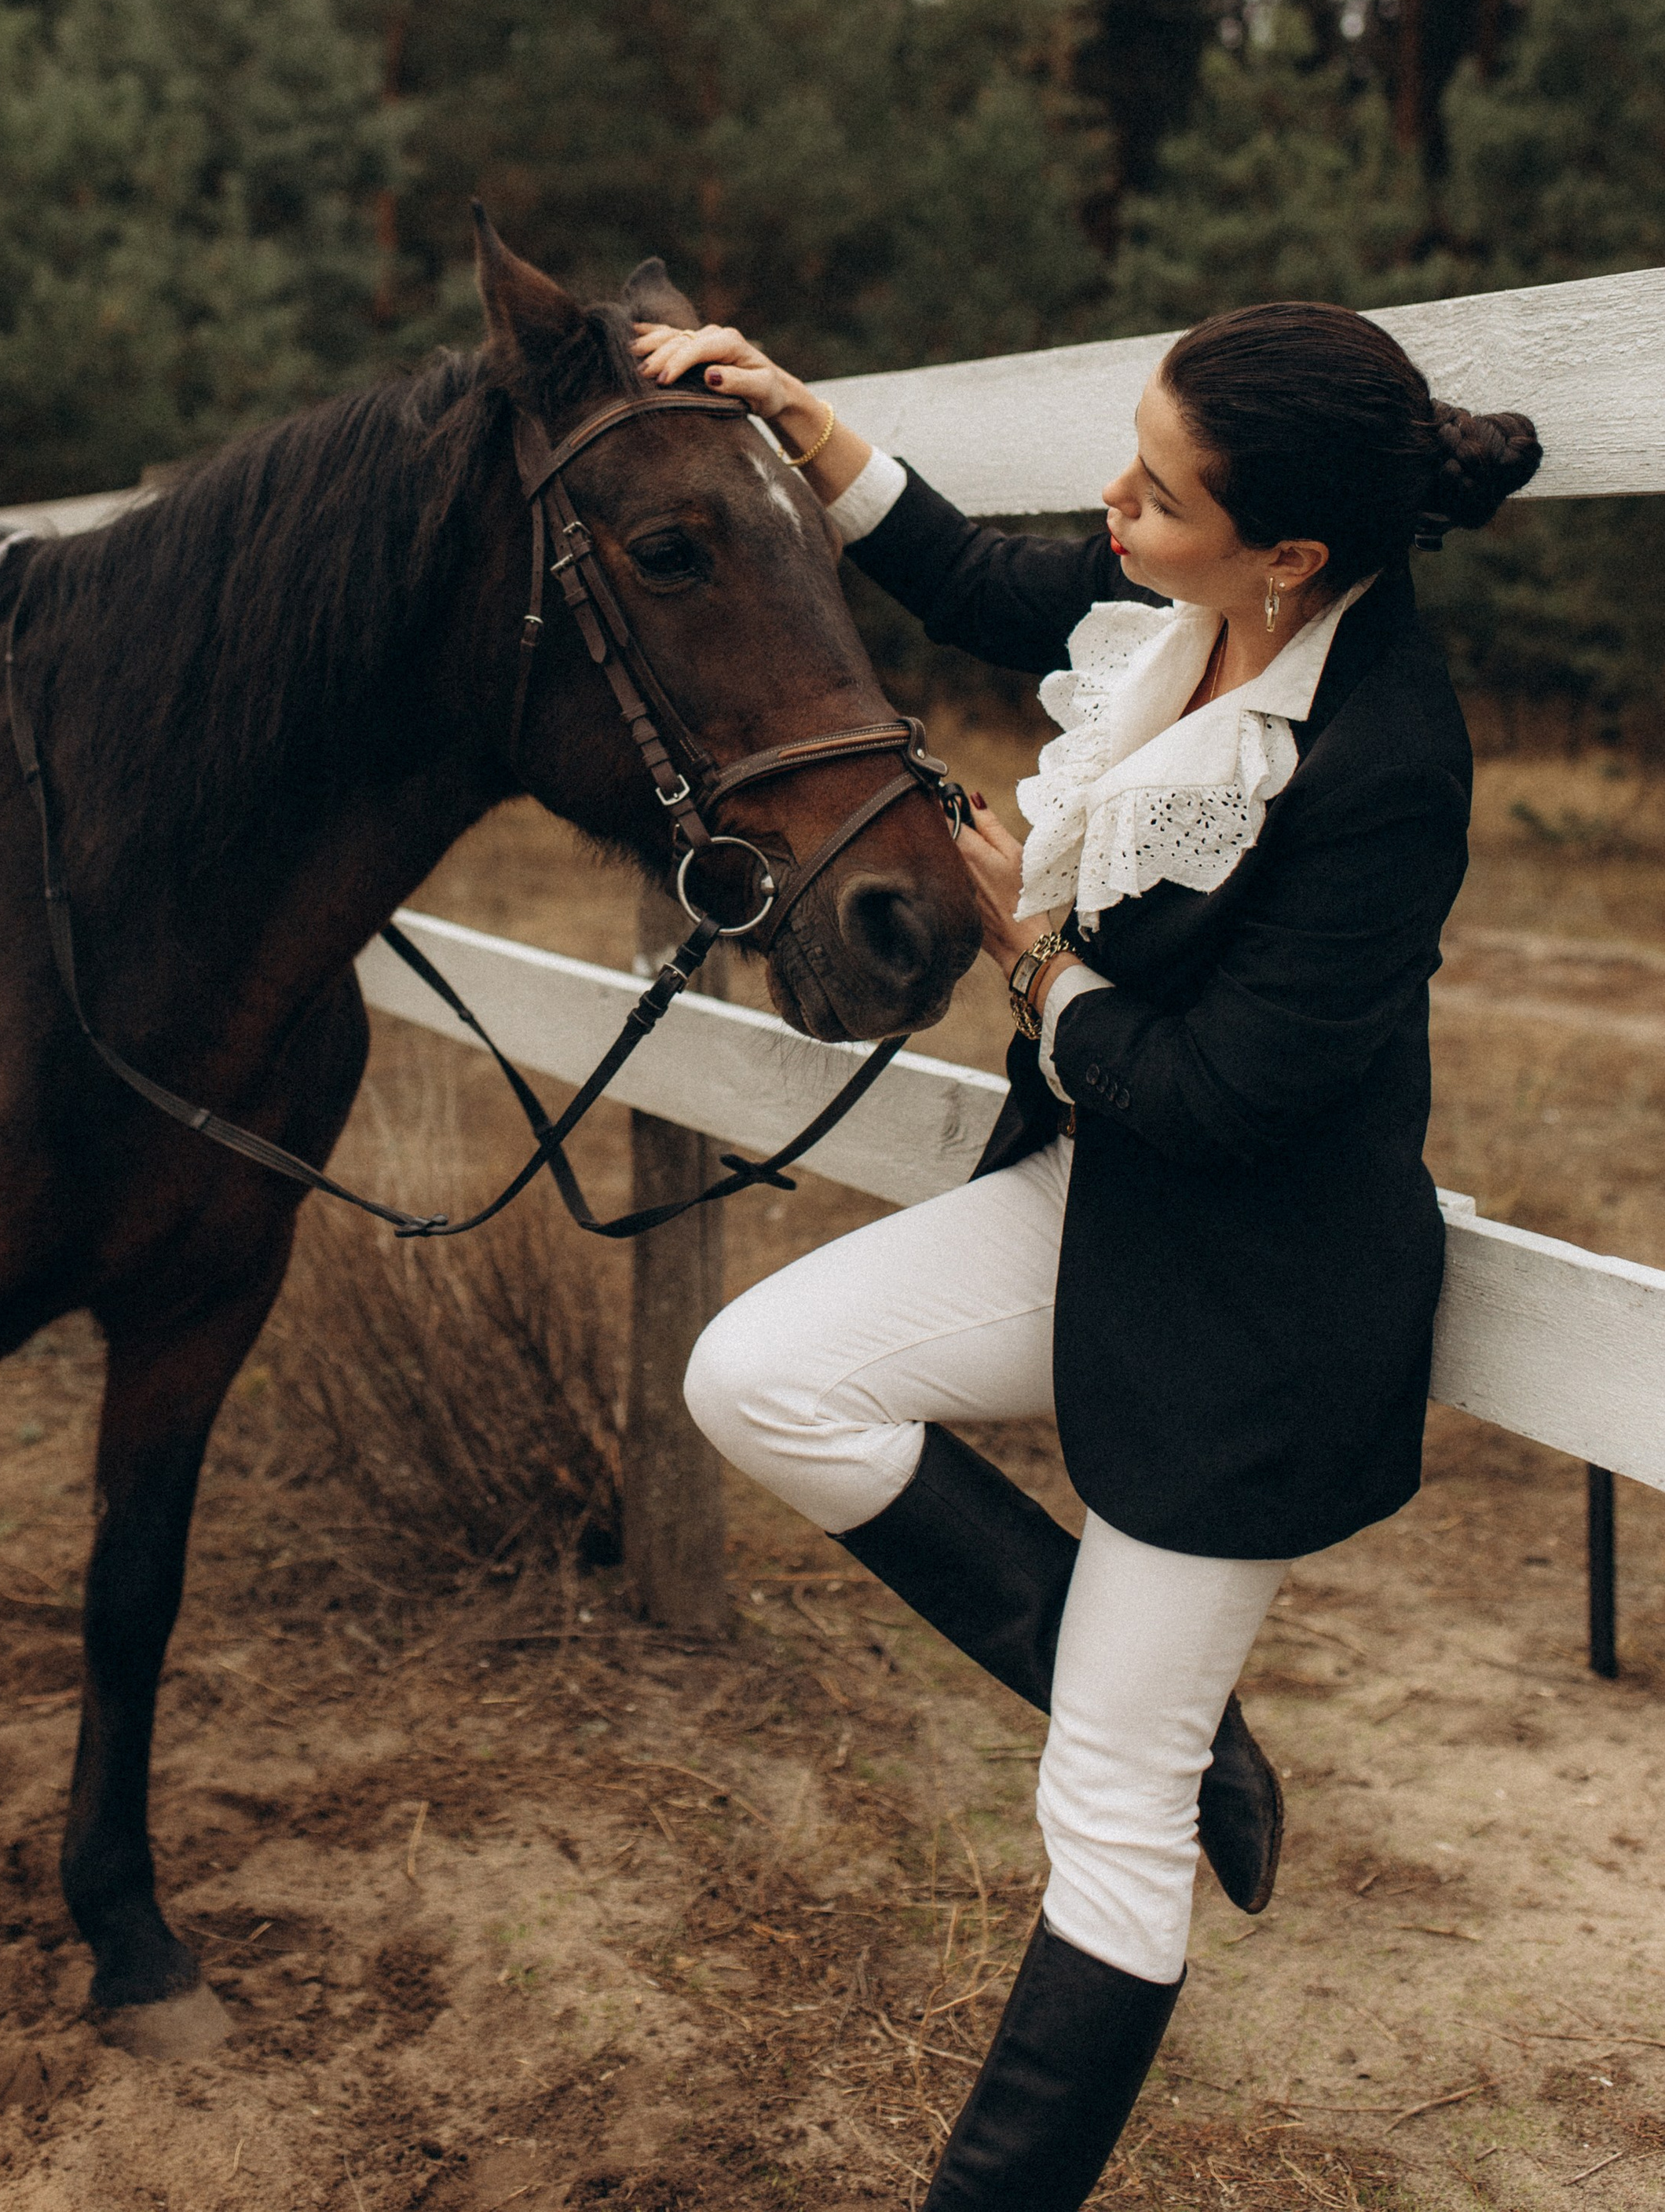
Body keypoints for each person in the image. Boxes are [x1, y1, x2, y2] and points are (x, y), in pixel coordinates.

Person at [631, 298, 1542, 2212]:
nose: (1113, 504)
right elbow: (978, 575)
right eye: (1129, 455)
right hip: (1101, 1205)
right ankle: (1166, 1717)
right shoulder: (1176, 609)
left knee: (1103, 1819)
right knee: (759, 1377)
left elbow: (1220, 1098)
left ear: (1287, 551)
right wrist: (795, 414)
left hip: (1257, 1306)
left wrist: (1022, 944)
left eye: (1158, 490)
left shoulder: (1382, 762)